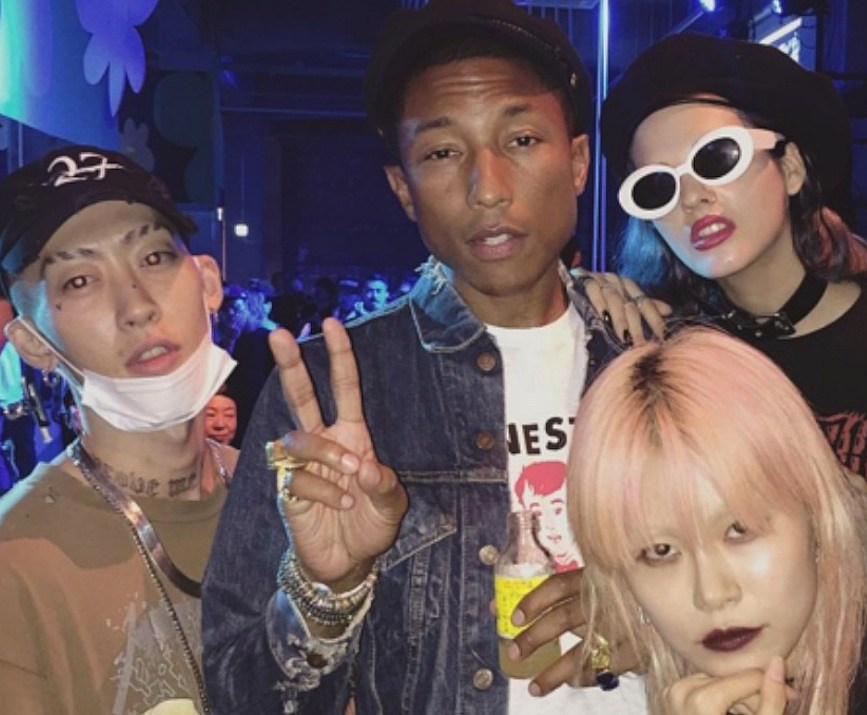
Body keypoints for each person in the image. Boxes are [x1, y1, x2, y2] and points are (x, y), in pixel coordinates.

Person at [201, 2, 648, 714]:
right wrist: (327, 590)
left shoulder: (660, 361)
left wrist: (664, 619)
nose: (488, 187)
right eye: (442, 153)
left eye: (522, 138)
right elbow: (240, 696)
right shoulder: (333, 392)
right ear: (402, 188)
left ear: (578, 162)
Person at [567, 327, 867, 715]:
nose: (712, 594)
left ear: (816, 516)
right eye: (660, 551)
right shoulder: (699, 692)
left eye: (739, 530)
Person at [598, 34, 867, 503]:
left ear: (790, 169)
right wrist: (579, 302)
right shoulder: (663, 348)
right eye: (656, 186)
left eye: (716, 158)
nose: (692, 197)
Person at [0, 145, 239, 714]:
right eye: (80, 281)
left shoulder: (288, 492)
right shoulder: (15, 563)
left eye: (154, 257)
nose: (136, 305)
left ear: (207, 281)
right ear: (32, 343)